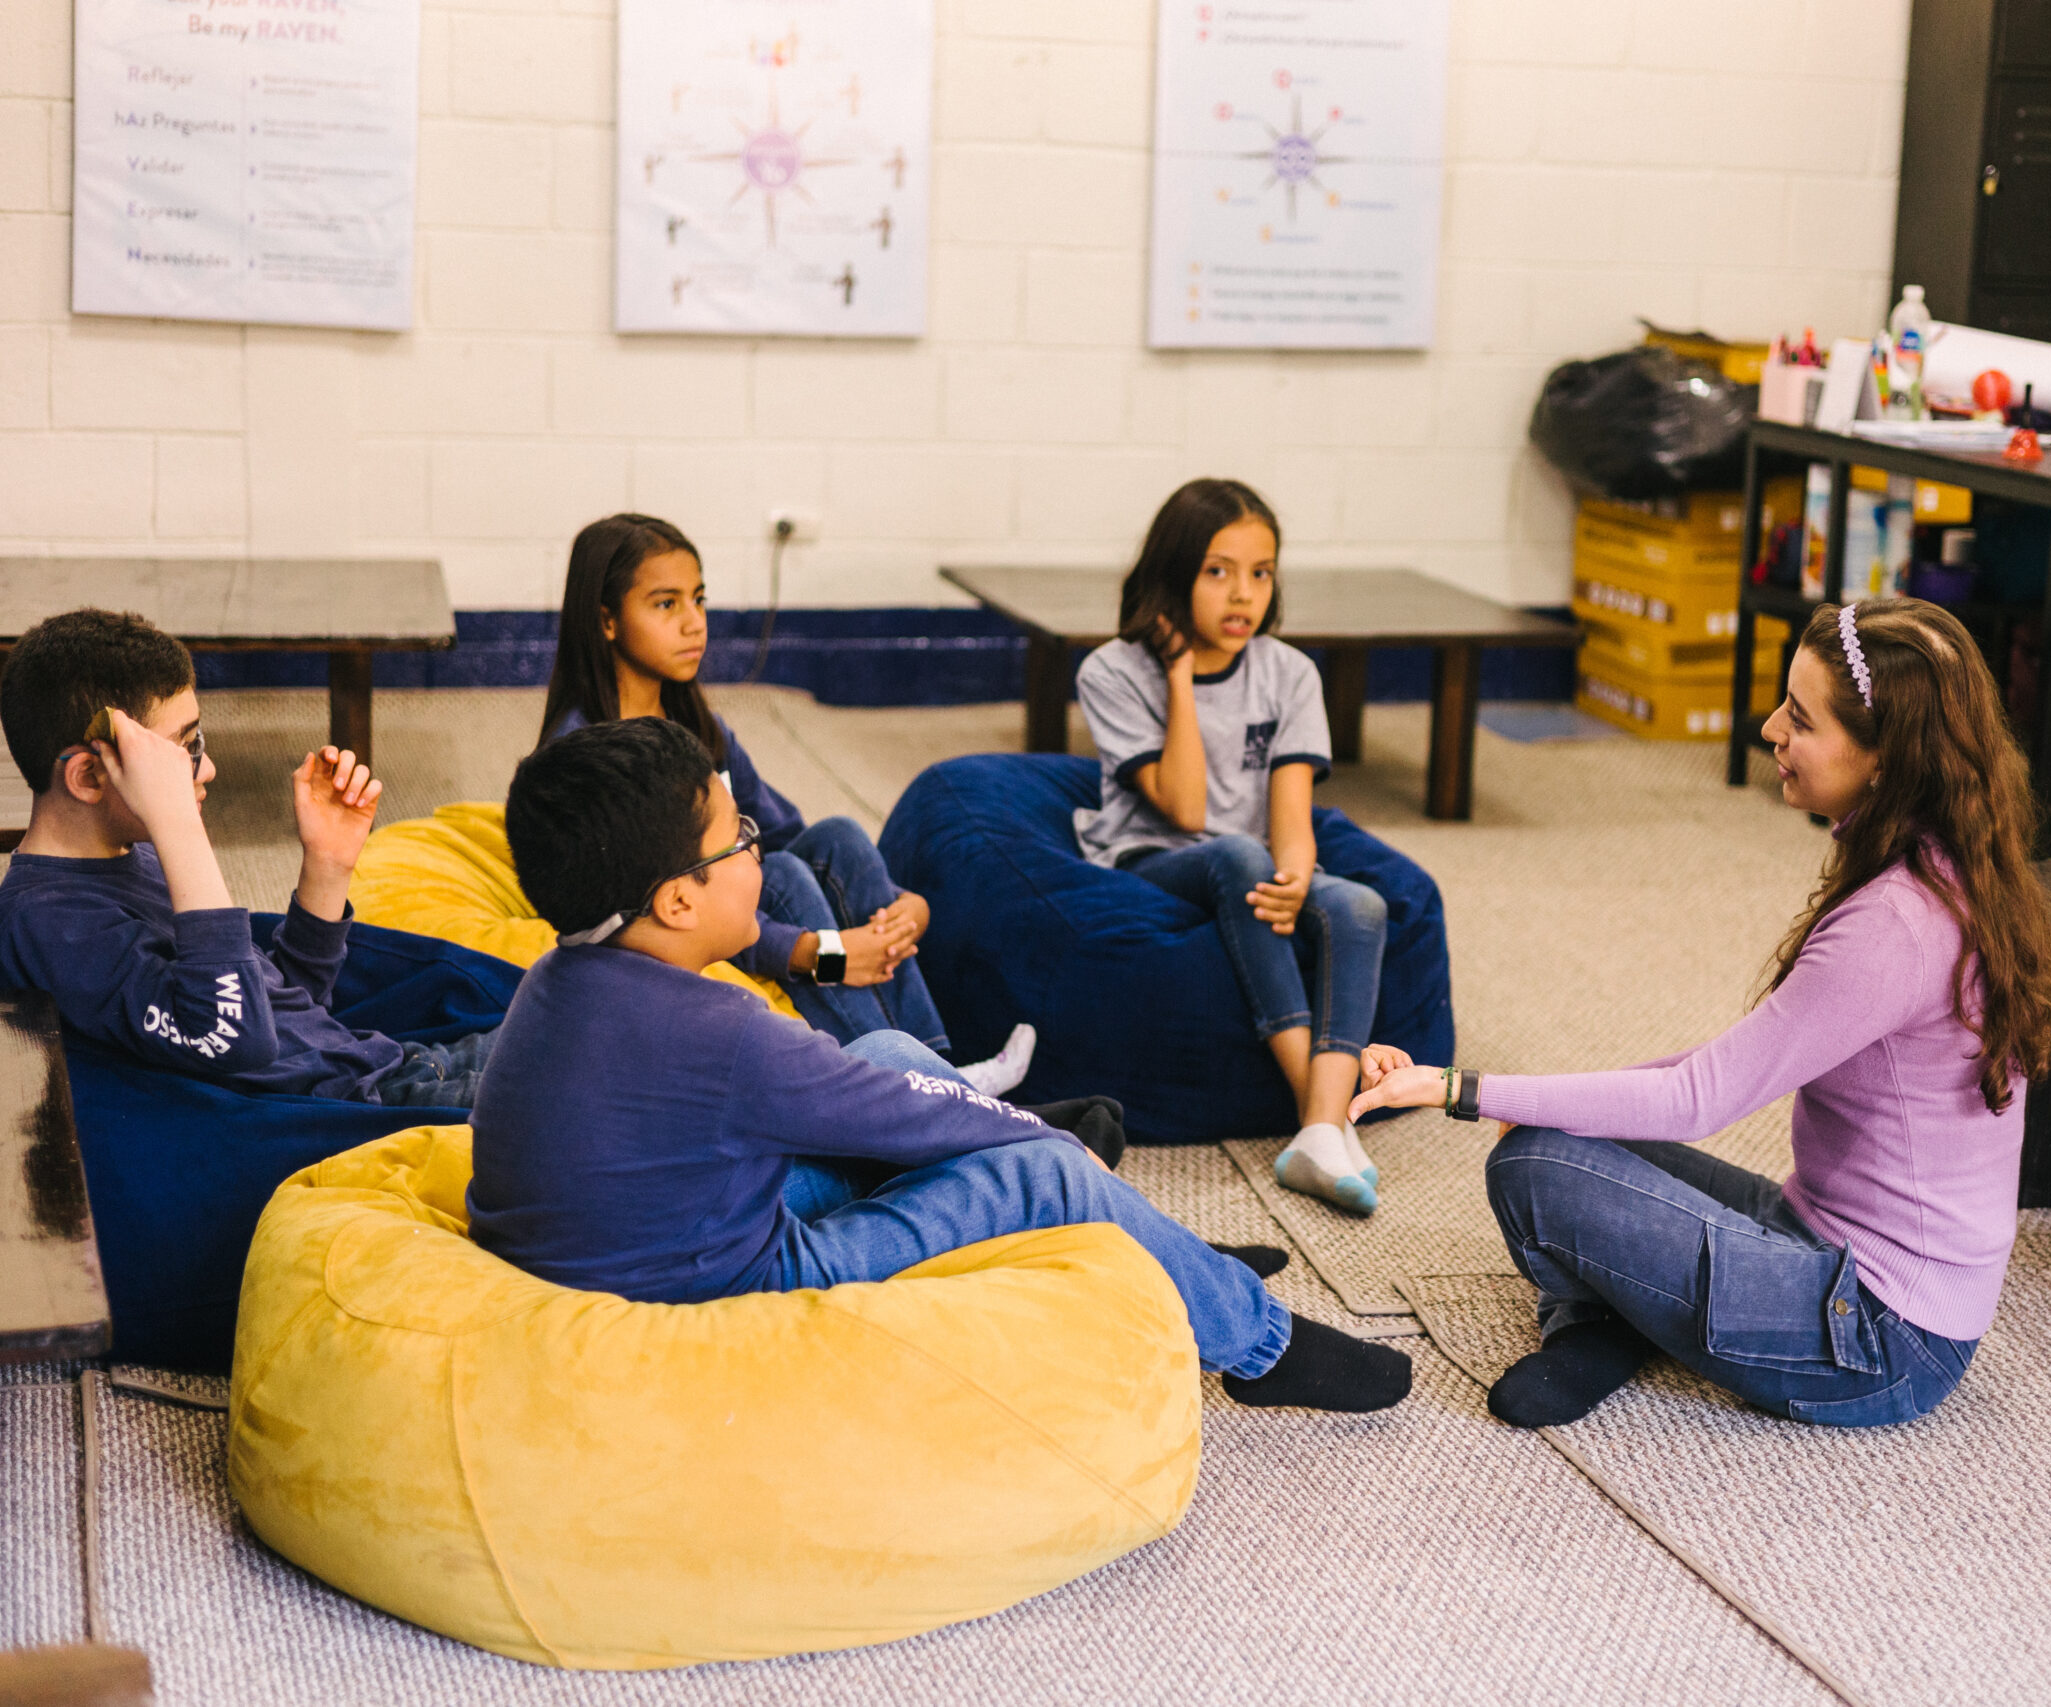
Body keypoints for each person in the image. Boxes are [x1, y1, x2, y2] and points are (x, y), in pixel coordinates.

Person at [470, 716, 1411, 1413]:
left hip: (647, 1227)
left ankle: (1170, 1254)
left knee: (883, 1045)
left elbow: (873, 1085)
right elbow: (914, 1119)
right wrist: (1044, 1141)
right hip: (730, 1281)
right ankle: (1260, 1344)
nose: (761, 847)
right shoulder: (722, 1031)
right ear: (678, 899)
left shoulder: (560, 974)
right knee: (1038, 1170)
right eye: (743, 838)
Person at [1351, 598, 2051, 1429]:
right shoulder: (1944, 862)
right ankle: (1621, 1321)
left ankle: (1608, 1320)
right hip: (1821, 1239)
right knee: (1559, 1134)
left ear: (1886, 759)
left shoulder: (1895, 925)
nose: (1770, 728)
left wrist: (1459, 1089)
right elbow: (1710, 1066)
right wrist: (1514, 1093)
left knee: (1532, 1169)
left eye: (1800, 719)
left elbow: (1700, 1097)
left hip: (1880, 1338)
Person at [539, 513, 1034, 1098]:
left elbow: (786, 830)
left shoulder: (700, 726)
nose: (695, 623)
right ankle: (897, 1088)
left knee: (838, 836)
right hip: (683, 924)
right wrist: (824, 954)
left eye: (699, 600)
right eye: (666, 605)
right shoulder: (588, 753)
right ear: (607, 621)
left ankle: (938, 1069)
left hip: (742, 904)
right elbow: (656, 906)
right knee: (783, 872)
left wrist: (901, 906)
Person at [0, 608, 494, 1107]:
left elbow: (286, 1004)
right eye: (182, 752)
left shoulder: (134, 855)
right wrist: (178, 827)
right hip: (376, 1104)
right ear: (90, 777)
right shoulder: (48, 926)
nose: (208, 770)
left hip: (396, 1064)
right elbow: (234, 1039)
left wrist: (327, 864)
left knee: (568, 1012)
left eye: (197, 740)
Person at [1072, 479, 1391, 1215]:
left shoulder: (1290, 673)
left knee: (1362, 903)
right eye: (1218, 571)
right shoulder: (1112, 671)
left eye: (1261, 572)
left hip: (1250, 860)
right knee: (1237, 857)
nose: (1242, 593)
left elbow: (1291, 815)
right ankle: (1330, 1117)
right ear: (1174, 572)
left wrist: (1295, 878)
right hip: (1148, 860)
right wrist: (1180, 673)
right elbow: (1183, 808)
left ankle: (1317, 1128)